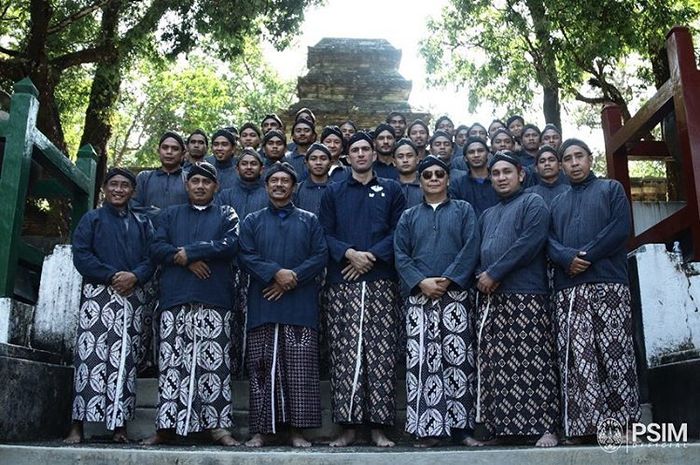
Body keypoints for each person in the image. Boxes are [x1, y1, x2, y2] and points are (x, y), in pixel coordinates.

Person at [548, 138, 640, 443]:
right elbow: (548, 241)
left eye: (579, 157)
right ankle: (584, 427)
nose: (574, 163)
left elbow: (619, 228)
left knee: (615, 356)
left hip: (608, 284)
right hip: (568, 291)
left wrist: (582, 257)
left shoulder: (611, 189)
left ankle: (624, 425)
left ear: (590, 159)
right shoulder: (557, 202)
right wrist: (565, 259)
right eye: (568, 159)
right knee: (577, 359)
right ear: (561, 166)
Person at [319, 131, 406, 448]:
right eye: (354, 150)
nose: (360, 154)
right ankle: (349, 428)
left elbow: (400, 230)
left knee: (380, 355)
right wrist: (348, 253)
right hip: (343, 281)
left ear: (374, 154)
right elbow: (324, 232)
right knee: (345, 354)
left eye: (365, 149)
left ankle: (379, 427)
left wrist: (371, 256)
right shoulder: (334, 191)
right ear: (347, 156)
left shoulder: (392, 189)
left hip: (381, 281)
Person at [145, 162, 239, 446]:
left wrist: (191, 252)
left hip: (214, 298)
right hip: (176, 298)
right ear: (187, 185)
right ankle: (166, 427)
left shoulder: (226, 214)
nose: (200, 186)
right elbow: (156, 247)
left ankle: (219, 428)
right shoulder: (170, 215)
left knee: (214, 366)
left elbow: (231, 244)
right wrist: (182, 259)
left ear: (216, 186)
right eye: (195, 181)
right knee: (173, 365)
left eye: (206, 182)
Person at [238, 162, 328, 448]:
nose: (279, 184)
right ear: (266, 186)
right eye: (273, 180)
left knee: (299, 371)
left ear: (294, 186)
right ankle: (261, 431)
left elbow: (320, 255)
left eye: (284, 181)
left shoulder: (309, 220)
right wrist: (275, 273)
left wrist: (293, 277)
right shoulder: (252, 221)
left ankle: (297, 432)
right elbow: (246, 255)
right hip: (264, 302)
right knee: (263, 369)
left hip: (300, 305)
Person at [394, 156, 481, 448]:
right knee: (423, 363)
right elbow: (400, 254)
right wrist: (421, 282)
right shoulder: (408, 216)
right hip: (420, 297)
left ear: (447, 179)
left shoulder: (463, 210)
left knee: (457, 362)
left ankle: (462, 430)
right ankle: (427, 429)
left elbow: (471, 247)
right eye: (427, 174)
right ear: (420, 181)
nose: (433, 178)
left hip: (454, 295)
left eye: (438, 174)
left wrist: (448, 279)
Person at [475, 152, 560, 448]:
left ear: (521, 174)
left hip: (527, 295)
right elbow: (478, 251)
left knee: (534, 360)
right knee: (499, 365)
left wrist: (495, 272)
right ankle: (505, 429)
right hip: (492, 299)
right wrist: (481, 275)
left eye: (506, 172)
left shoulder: (533, 202)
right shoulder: (487, 214)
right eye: (495, 173)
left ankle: (546, 427)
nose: (501, 177)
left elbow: (530, 242)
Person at [65, 168, 155, 444]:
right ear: (104, 188)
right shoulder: (91, 219)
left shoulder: (142, 222)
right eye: (113, 184)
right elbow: (81, 254)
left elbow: (152, 257)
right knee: (89, 360)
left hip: (131, 298)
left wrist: (135, 276)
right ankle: (77, 426)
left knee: (124, 361)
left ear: (133, 191)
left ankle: (119, 426)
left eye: (124, 185)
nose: (118, 189)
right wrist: (111, 275)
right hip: (98, 297)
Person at [217, 148, 269, 376]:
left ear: (262, 168)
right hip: (229, 266)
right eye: (244, 164)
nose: (249, 167)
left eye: (253, 163)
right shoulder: (226, 195)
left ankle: (254, 370)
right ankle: (231, 369)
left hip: (260, 268)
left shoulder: (269, 194)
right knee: (231, 319)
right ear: (237, 169)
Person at [131, 131, 188, 217]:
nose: (169, 152)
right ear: (158, 151)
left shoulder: (190, 179)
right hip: (148, 229)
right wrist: (155, 213)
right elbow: (134, 206)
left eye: (175, 149)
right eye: (165, 148)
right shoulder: (144, 178)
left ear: (183, 153)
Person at [450, 137, 500, 218]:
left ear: (488, 154)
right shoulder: (457, 185)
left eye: (480, 151)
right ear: (465, 158)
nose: (476, 155)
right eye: (471, 152)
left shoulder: (499, 180)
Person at [294, 142, 333, 216]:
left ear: (330, 163)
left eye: (323, 158)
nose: (318, 162)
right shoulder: (297, 190)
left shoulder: (338, 190)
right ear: (306, 162)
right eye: (313, 159)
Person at [394, 138, 422, 208]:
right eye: (400, 157)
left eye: (409, 156)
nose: (405, 160)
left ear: (417, 159)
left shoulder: (427, 186)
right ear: (394, 162)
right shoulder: (390, 188)